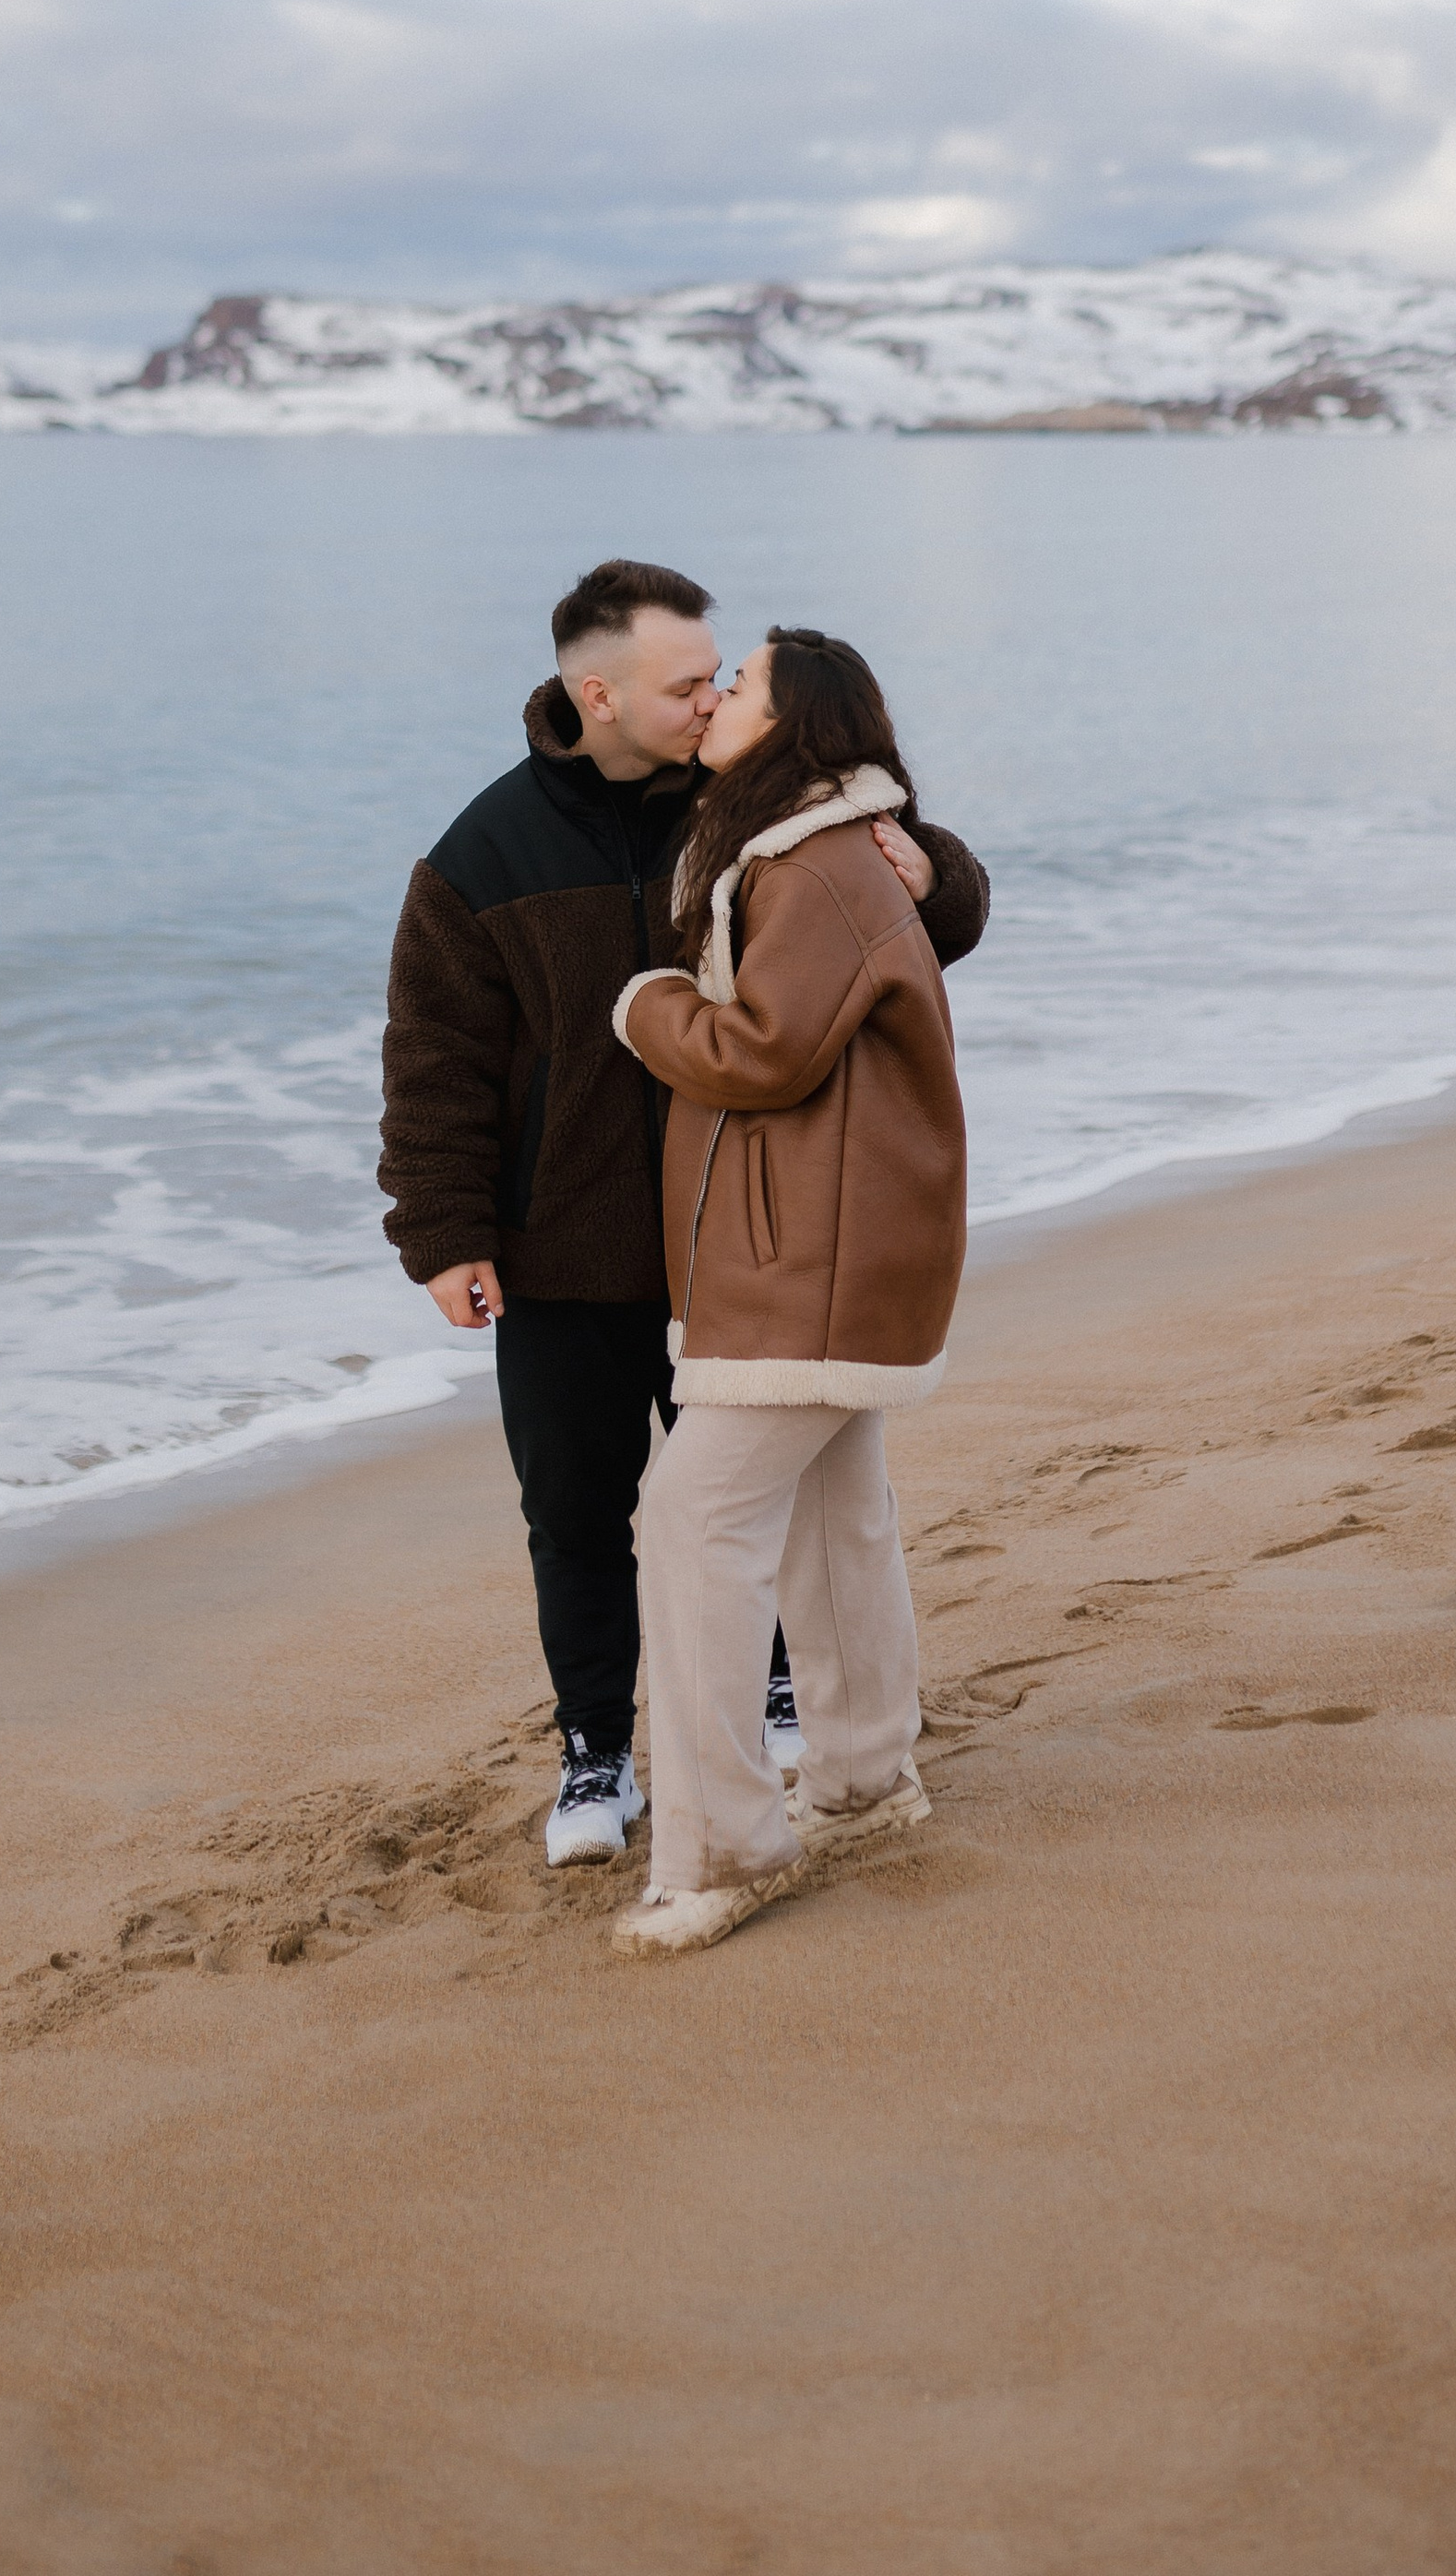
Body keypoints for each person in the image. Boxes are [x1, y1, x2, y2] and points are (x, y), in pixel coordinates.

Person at [377, 562, 989, 1868]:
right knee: (580, 1508)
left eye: (721, 674)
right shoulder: (481, 851)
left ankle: (780, 1704)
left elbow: (913, 923)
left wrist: (928, 865)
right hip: (566, 1249)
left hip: (736, 1237)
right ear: (593, 693)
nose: (710, 696)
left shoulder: (745, 803)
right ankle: (597, 1747)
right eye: (684, 681)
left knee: (755, 1504)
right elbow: (433, 1059)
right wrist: (441, 1231)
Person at [605, 626, 965, 1958]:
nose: (715, 701)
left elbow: (766, 1055)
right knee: (832, 1521)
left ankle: (728, 1852)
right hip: (834, 1245)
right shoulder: (814, 845)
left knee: (690, 1521)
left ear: (795, 723)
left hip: (817, 1258)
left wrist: (644, 1004)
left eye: (738, 686)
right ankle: (865, 1781)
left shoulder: (809, 867)